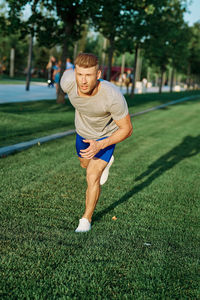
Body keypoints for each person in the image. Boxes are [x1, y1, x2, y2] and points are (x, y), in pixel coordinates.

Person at [60, 53, 133, 233]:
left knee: (92, 176)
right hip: (82, 133)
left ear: (98, 74)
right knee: (84, 164)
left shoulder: (112, 96)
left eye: (89, 75)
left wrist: (101, 145)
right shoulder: (67, 81)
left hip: (104, 137)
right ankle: (106, 163)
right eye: (80, 74)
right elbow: (69, 73)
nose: (83, 81)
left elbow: (127, 129)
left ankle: (86, 219)